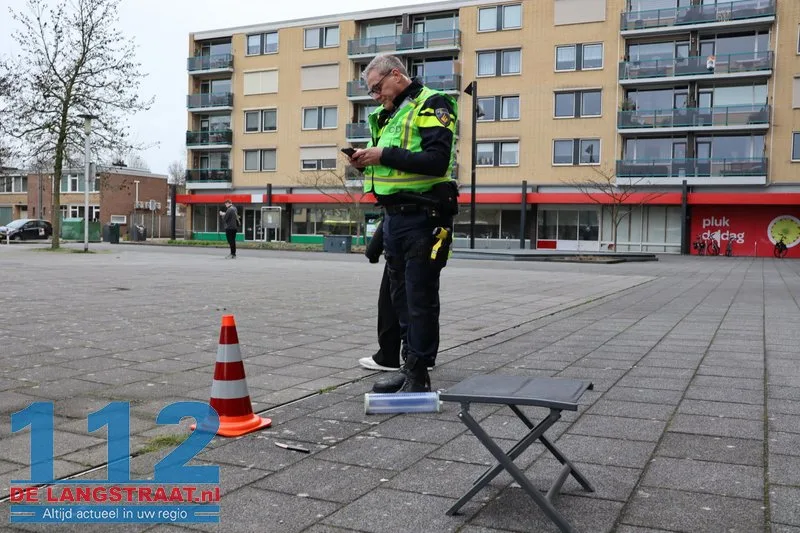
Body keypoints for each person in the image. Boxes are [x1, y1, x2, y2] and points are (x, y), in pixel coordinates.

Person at [346, 54, 459, 393]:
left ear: (396, 75)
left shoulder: (433, 103)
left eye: (378, 87)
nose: (376, 96)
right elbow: (396, 166)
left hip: (425, 218)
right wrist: (367, 162)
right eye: (371, 92)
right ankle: (409, 366)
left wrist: (382, 154)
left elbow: (437, 161)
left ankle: (419, 375)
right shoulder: (388, 115)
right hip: (394, 218)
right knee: (401, 300)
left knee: (420, 297)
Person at [359, 219, 403, 373]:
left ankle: (388, 357)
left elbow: (390, 215)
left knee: (389, 301)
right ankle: (422, 357)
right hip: (431, 243)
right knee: (423, 302)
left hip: (403, 241)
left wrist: (373, 250)